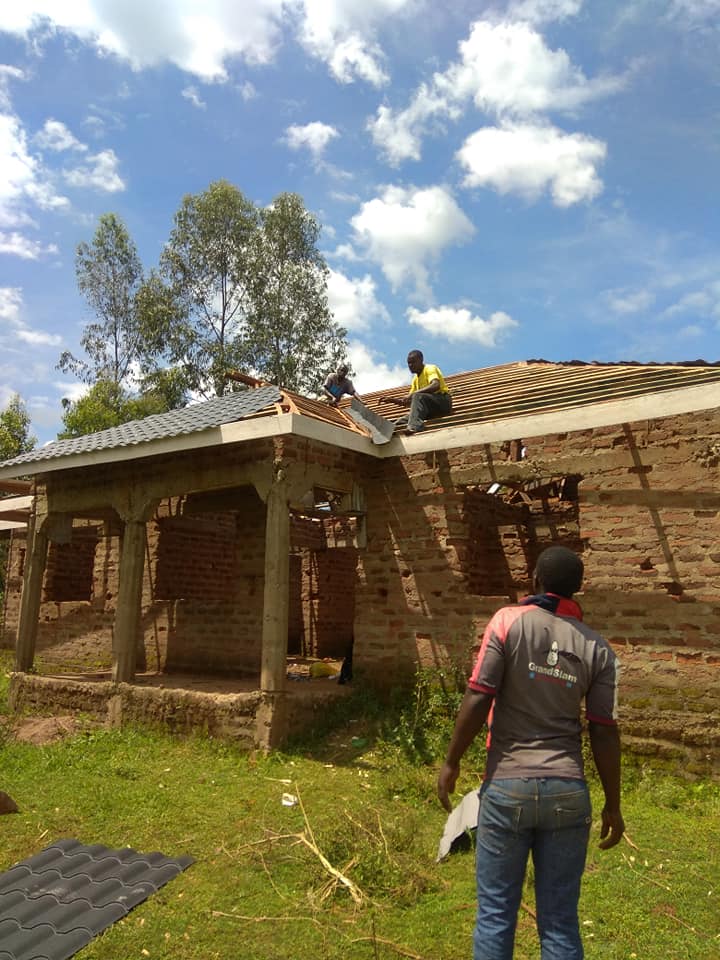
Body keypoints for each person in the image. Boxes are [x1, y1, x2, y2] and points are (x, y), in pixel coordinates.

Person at [437, 545, 624, 960]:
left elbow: (479, 694)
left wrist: (451, 761)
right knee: (559, 922)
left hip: (507, 789)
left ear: (535, 580)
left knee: (495, 915)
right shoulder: (598, 649)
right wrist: (613, 803)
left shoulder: (508, 622)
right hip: (568, 793)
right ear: (577, 589)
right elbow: (604, 731)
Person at [382, 350, 452, 433]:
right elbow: (409, 402)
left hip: (443, 402)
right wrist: (392, 400)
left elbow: (436, 385)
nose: (410, 365)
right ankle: (388, 432)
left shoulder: (429, 368)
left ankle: (414, 428)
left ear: (421, 360)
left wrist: (414, 393)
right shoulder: (415, 380)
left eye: (413, 362)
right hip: (430, 408)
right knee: (404, 419)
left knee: (417, 396)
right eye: (409, 363)